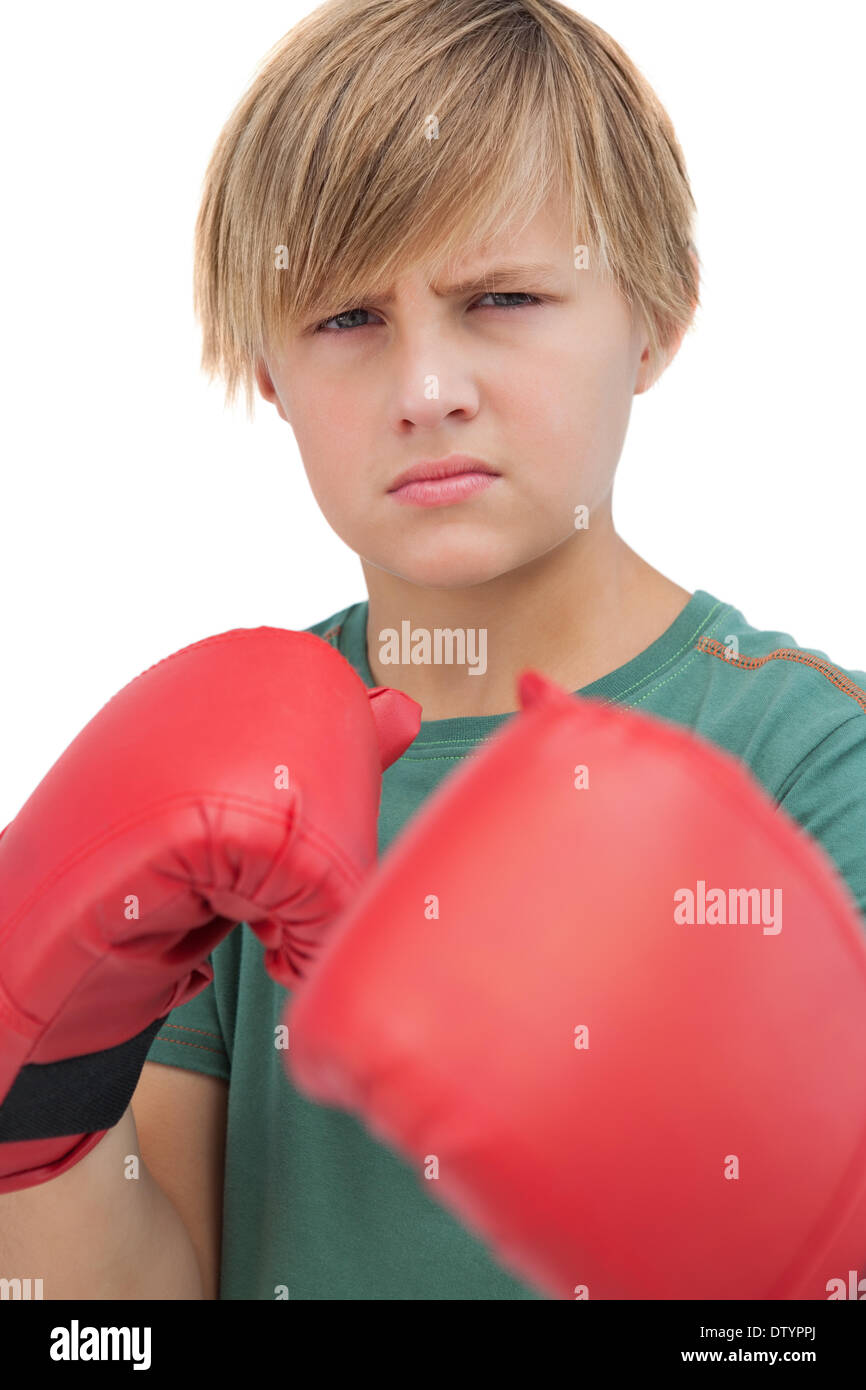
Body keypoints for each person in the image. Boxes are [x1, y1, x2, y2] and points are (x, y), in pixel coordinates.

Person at [3, 0, 864, 1301]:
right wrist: (41, 1102)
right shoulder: (220, 779)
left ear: (659, 315)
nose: (424, 387)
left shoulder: (812, 760)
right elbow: (121, 1328)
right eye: (347, 318)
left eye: (500, 298)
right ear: (267, 373)